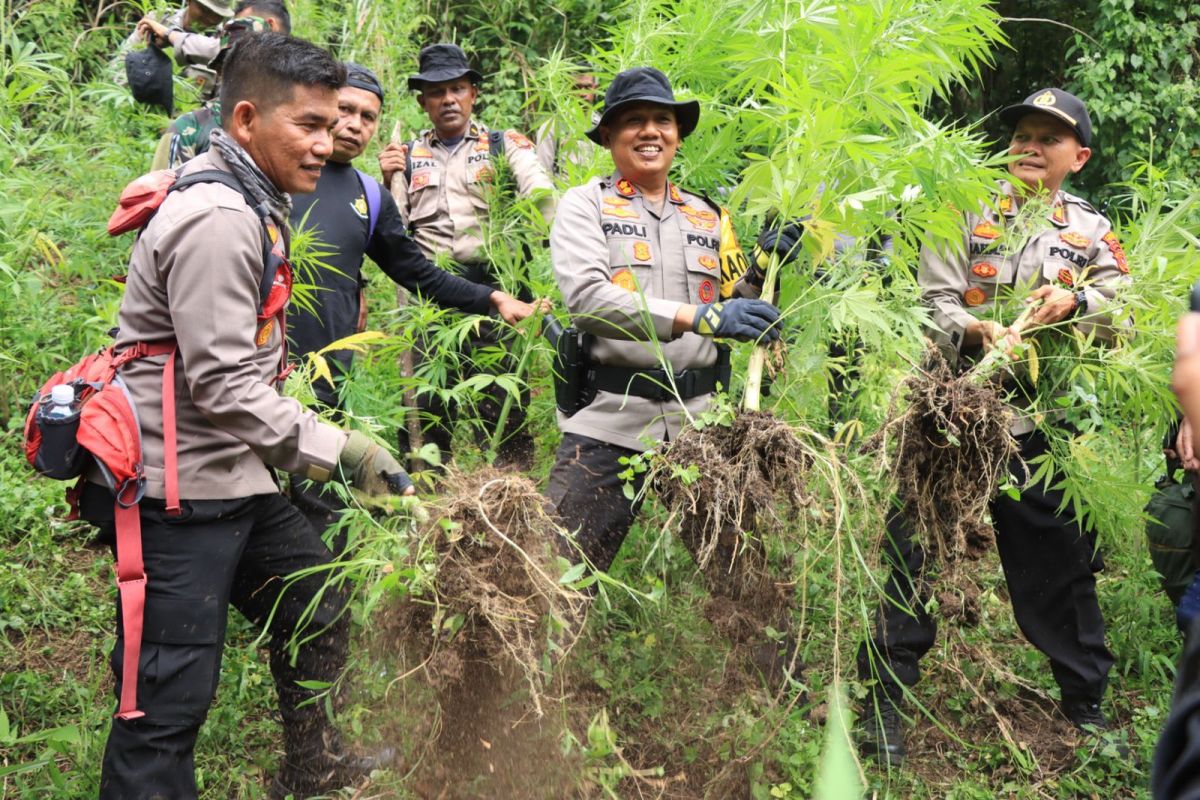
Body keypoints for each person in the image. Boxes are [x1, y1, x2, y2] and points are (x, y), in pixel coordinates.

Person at [78, 33, 407, 799]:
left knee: (318, 603)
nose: (329, 144)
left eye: (335, 126)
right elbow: (224, 388)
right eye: (311, 125)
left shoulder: (254, 199)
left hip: (234, 476)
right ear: (249, 118)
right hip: (176, 492)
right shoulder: (221, 216)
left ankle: (316, 765)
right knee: (164, 704)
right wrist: (346, 450)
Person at [856, 88, 1132, 766]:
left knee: (1055, 559)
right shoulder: (964, 209)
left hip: (1034, 420)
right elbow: (933, 300)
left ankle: (1086, 703)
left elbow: (1125, 308)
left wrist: (1077, 299)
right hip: (951, 407)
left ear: (1079, 156)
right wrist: (974, 330)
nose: (1030, 146)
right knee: (914, 546)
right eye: (1022, 135)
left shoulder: (1090, 232)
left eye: (1048, 137)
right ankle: (886, 700)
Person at [543, 67, 790, 678]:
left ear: (678, 134)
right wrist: (700, 317)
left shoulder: (711, 217)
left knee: (745, 578)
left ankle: (779, 694)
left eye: (662, 120)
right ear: (608, 137)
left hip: (700, 424)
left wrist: (767, 265)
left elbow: (739, 302)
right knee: (554, 575)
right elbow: (589, 302)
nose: (650, 131)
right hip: (610, 421)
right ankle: (533, 698)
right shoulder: (585, 205)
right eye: (633, 121)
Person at [287, 64, 543, 537]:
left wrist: (491, 297)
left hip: (328, 368)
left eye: (367, 116)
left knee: (316, 493)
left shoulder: (366, 194)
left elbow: (414, 269)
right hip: (259, 362)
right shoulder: (274, 173)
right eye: (344, 110)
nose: (353, 124)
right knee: (425, 414)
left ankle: (493, 523)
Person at [377, 43, 555, 470]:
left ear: (474, 93)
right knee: (428, 402)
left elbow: (543, 197)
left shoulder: (503, 145)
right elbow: (390, 230)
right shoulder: (406, 155)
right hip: (431, 295)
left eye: (457, 89)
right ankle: (429, 499)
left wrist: (564, 249)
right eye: (437, 92)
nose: (448, 100)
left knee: (504, 405)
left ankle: (511, 497)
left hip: (499, 287)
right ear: (423, 101)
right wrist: (386, 178)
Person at [149, 2, 290, 171]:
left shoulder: (288, 126)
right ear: (220, 70)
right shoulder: (190, 129)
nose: (243, 72)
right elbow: (161, 190)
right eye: (231, 63)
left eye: (255, 63)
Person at [535, 68, 600, 177]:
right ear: (567, 90)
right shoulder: (552, 127)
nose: (582, 93)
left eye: (587, 87)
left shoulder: (604, 125)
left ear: (595, 88)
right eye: (576, 88)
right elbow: (543, 175)